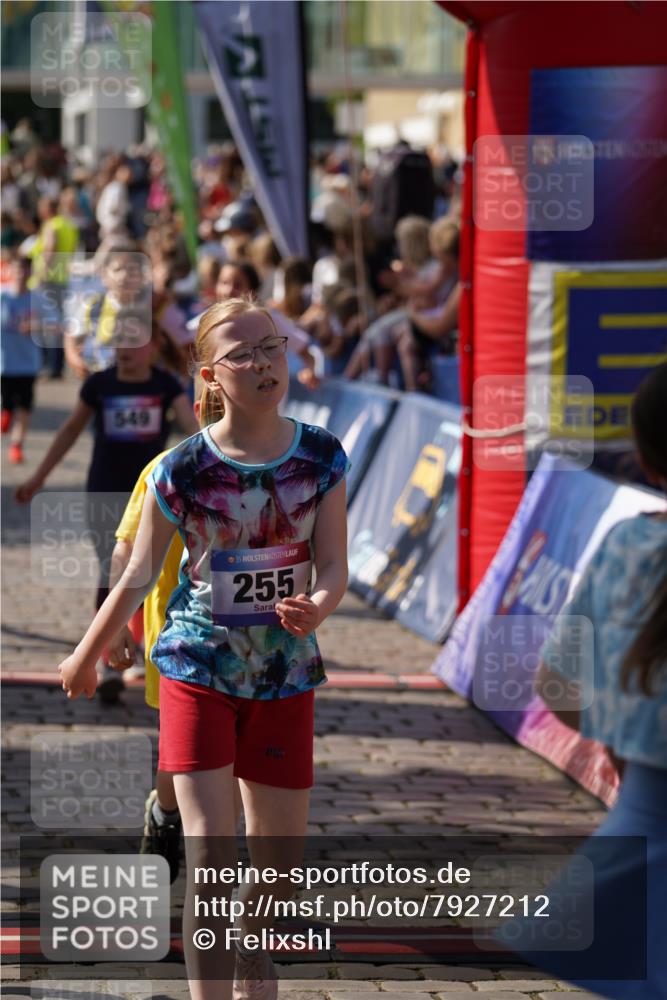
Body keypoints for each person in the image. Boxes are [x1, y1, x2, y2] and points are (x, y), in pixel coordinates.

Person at [56, 298, 350, 1000]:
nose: (263, 363)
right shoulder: (180, 469)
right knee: (211, 855)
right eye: (242, 354)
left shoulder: (321, 455)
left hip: (283, 673)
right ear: (211, 375)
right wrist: (89, 651)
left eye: (271, 347)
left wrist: (319, 603)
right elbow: (135, 572)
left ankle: (251, 938)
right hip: (197, 668)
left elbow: (336, 564)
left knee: (279, 868)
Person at [509, 361, 667, 997]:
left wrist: (621, 733)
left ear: (647, 459)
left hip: (642, 807)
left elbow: (556, 681)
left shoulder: (630, 544)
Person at [15, 314, 199, 695]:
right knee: (111, 569)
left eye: (134, 341)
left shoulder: (165, 385)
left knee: (147, 569)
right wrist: (39, 478)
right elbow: (70, 430)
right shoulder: (100, 384)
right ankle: (108, 655)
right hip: (105, 490)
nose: (124, 349)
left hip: (153, 497)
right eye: (118, 341)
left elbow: (193, 430)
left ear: (154, 346)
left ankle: (138, 648)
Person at [1, 254, 41, 464]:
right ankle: (5, 412)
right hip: (3, 364)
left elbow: (57, 324)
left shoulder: (38, 299)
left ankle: (16, 445)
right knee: (7, 403)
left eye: (25, 270)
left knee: (25, 407)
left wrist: (38, 326)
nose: (20, 274)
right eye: (17, 269)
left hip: (28, 365)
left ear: (31, 272)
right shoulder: (2, 296)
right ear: (9, 271)